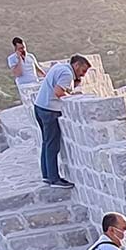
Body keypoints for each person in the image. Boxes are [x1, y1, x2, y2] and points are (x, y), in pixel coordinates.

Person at [33, 54, 91, 189]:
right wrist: (72, 96)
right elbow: (59, 92)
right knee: (53, 145)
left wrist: (76, 82)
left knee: (46, 143)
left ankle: (47, 176)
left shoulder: (60, 67)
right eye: (83, 71)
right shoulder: (66, 73)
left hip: (39, 107)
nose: (83, 74)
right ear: (76, 65)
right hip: (50, 110)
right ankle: (54, 179)